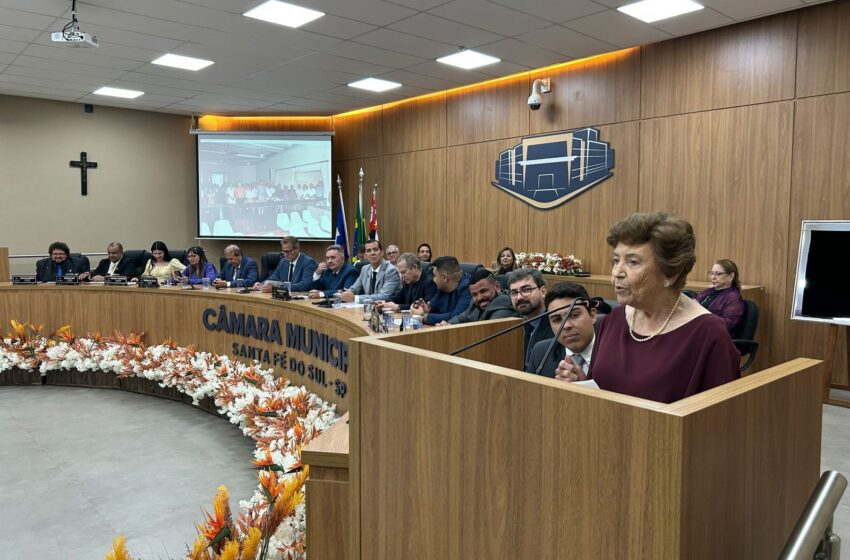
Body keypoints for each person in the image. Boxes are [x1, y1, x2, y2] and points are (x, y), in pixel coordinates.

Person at [578, 212, 740, 404]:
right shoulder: (613, 320)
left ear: (670, 274)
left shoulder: (708, 334)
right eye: (615, 260)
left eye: (633, 262)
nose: (617, 273)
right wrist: (582, 383)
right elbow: (602, 387)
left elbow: (722, 417)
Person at [527, 282, 598, 379]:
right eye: (557, 320)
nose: (566, 325)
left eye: (574, 315)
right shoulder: (541, 353)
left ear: (592, 315)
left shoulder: (619, 352)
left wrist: (585, 386)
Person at [507, 268, 552, 366]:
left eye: (526, 290)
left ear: (543, 291)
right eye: (514, 293)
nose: (519, 297)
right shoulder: (510, 325)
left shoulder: (555, 324)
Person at [410, 256, 471, 325]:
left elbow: (456, 316)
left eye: (435, 275)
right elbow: (432, 306)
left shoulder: (467, 287)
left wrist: (425, 317)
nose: (433, 279)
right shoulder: (443, 287)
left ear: (444, 277)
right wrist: (427, 309)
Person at [446, 268, 517, 325]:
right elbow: (461, 317)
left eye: (484, 291)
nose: (479, 298)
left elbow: (489, 333)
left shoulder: (504, 303)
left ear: (497, 287)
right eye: (474, 294)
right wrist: (448, 324)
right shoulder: (475, 303)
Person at [339, 239, 401, 304]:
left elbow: (384, 296)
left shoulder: (391, 270)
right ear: (365, 256)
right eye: (368, 251)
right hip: (370, 309)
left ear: (382, 253)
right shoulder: (365, 269)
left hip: (388, 310)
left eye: (375, 249)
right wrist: (345, 294)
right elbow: (354, 289)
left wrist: (355, 298)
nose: (372, 253)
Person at [696, 259, 745, 335]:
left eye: (718, 274)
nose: (713, 277)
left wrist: (701, 311)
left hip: (715, 339)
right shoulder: (708, 292)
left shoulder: (734, 298)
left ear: (731, 276)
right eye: (711, 273)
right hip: (700, 332)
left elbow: (726, 326)